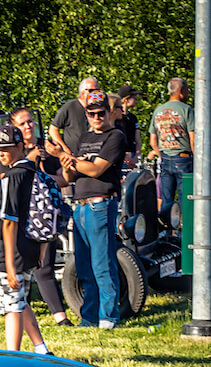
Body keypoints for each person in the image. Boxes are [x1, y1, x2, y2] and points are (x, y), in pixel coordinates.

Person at [61, 89, 126, 329]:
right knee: (84, 265)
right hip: (80, 205)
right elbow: (71, 175)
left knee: (102, 263)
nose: (96, 118)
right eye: (91, 114)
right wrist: (67, 164)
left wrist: (68, 157)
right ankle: (89, 316)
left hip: (101, 203)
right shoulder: (84, 139)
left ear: (108, 113)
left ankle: (108, 316)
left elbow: (96, 169)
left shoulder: (115, 136)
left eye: (100, 113)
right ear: (86, 114)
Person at [0, 124, 50, 354]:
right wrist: (41, 251)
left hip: (12, 252)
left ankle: (13, 355)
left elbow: (9, 221)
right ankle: (41, 348)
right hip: (30, 247)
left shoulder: (11, 177)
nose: (1, 153)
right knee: (20, 301)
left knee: (11, 307)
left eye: (7, 148)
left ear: (21, 147)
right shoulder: (33, 171)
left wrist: (9, 266)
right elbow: (44, 213)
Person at [10, 107, 71, 325]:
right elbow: (8, 177)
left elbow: (61, 180)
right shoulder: (11, 150)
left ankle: (60, 317)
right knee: (21, 267)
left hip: (43, 214)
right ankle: (20, 311)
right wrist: (29, 159)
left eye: (30, 122)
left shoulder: (45, 148)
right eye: (23, 123)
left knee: (45, 266)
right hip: (19, 215)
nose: (28, 126)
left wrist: (63, 165)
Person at [147, 77, 195, 222]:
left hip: (165, 158)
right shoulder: (187, 110)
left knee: (166, 199)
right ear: (181, 91)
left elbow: (152, 140)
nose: (188, 93)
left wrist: (160, 153)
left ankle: (167, 232)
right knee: (185, 198)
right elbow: (193, 139)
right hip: (184, 158)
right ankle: (184, 232)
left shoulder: (158, 111)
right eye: (186, 89)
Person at [49, 77, 99, 157]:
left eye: (97, 91)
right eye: (92, 91)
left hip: (92, 157)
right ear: (83, 92)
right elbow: (53, 130)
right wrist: (65, 149)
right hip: (73, 157)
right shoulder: (69, 107)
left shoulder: (98, 110)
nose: (95, 94)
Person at [117, 84, 142, 165]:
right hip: (119, 156)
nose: (136, 99)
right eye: (134, 97)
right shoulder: (116, 117)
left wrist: (136, 156)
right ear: (126, 99)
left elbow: (138, 140)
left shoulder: (133, 118)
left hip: (132, 156)